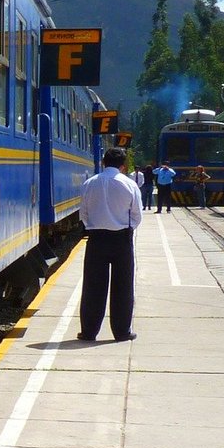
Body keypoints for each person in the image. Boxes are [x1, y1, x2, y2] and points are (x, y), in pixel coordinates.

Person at [78, 146, 143, 343]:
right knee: (123, 286)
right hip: (121, 239)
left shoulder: (89, 183)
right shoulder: (130, 185)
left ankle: (89, 332)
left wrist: (94, 226)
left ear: (103, 162)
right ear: (123, 166)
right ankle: (122, 331)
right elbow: (137, 215)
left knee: (93, 286)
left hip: (96, 239)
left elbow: (84, 213)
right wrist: (125, 226)